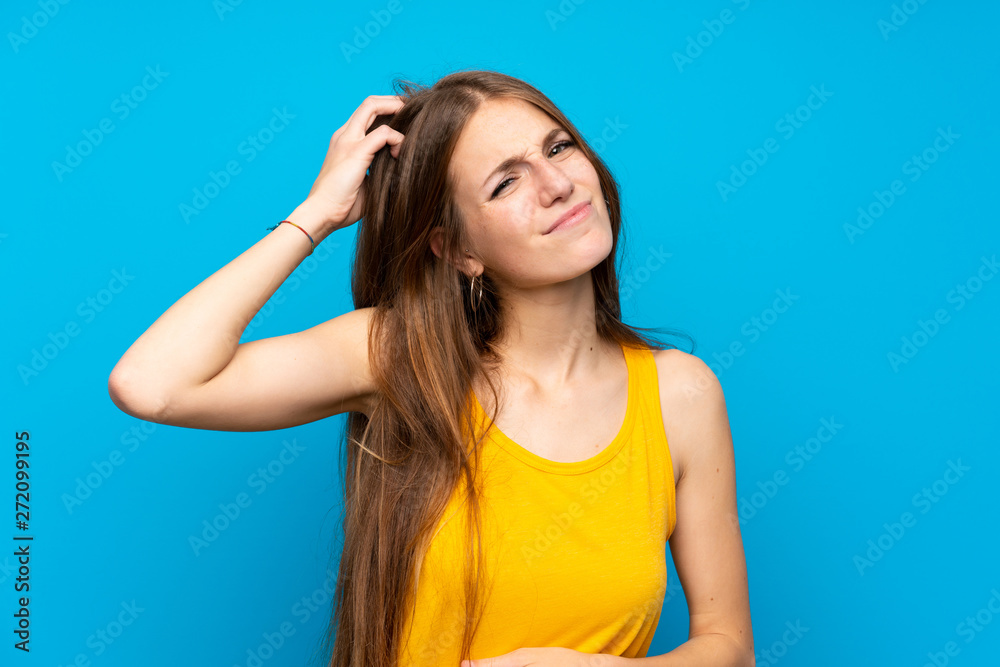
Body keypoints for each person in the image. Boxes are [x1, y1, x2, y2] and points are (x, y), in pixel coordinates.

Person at [108, 70, 754, 667]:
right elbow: (153, 385)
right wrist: (318, 213)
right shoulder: (398, 357)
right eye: (506, 182)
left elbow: (729, 646)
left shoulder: (680, 394)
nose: (556, 184)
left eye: (558, 149)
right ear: (459, 250)